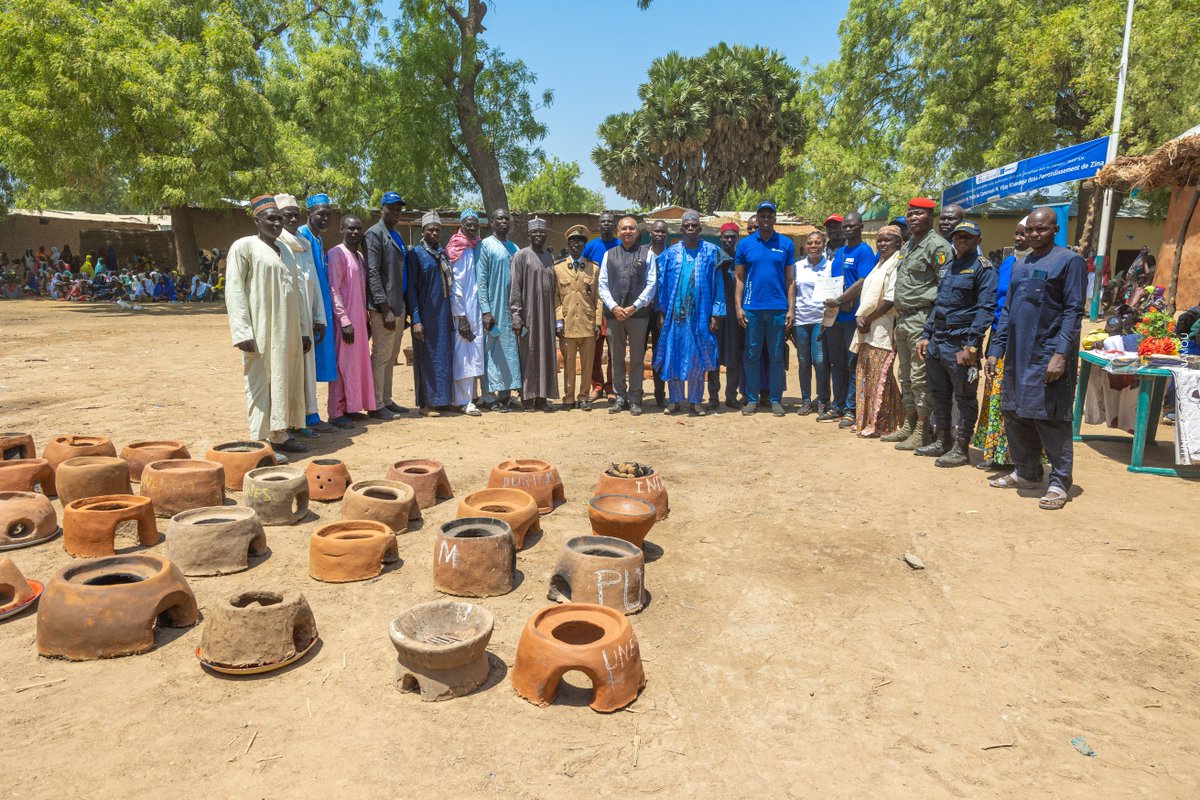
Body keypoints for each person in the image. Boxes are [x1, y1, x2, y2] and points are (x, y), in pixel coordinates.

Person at [985, 207, 1086, 509]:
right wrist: (995, 349)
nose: (1034, 234)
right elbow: (1007, 311)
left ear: (1055, 230)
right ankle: (1028, 473)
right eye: (1030, 229)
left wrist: (1060, 354)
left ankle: (1059, 483)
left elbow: (1073, 311)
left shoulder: (1070, 262)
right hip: (1017, 355)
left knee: (1050, 418)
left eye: (1041, 229)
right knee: (1015, 414)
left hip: (1047, 354)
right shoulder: (1020, 264)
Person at [224, 195, 309, 453]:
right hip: (260, 329)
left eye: (279, 218)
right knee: (260, 381)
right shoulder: (244, 246)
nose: (277, 223)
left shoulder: (286, 251)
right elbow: (234, 290)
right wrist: (241, 331)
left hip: (288, 329)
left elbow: (297, 293)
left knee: (284, 379)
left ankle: (280, 434)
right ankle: (260, 441)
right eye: (271, 218)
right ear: (257, 220)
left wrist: (303, 330)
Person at [915, 221, 997, 466]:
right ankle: (943, 441)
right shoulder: (949, 266)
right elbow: (938, 305)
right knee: (939, 395)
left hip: (961, 345)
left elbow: (985, 309)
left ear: (978, 240)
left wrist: (972, 344)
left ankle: (961, 448)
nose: (962, 239)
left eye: (967, 236)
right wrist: (925, 334)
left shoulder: (984, 269)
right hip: (938, 341)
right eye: (958, 236)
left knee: (964, 397)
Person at [883, 197, 954, 450]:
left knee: (920, 375)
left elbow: (945, 289)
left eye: (919, 214)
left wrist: (931, 328)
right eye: (910, 213)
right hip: (903, 318)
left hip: (923, 319)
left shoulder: (938, 246)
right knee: (905, 375)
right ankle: (909, 423)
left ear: (930, 217)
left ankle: (924, 429)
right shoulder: (910, 244)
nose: (913, 218)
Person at [653, 209, 726, 415]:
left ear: (700, 229)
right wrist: (660, 311)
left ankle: (695, 401)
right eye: (687, 226)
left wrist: (716, 313)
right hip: (674, 317)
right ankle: (674, 400)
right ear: (682, 229)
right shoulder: (670, 254)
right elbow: (661, 284)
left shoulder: (711, 252)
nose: (690, 229)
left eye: (694, 226)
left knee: (696, 359)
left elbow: (718, 284)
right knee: (673, 356)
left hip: (700, 316)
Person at [973, 217, 1030, 470]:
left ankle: (1014, 455)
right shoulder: (1007, 263)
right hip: (999, 337)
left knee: (1014, 398)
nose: (1018, 238)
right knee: (994, 394)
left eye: (1024, 234)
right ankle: (994, 451)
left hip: (1024, 342)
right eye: (1016, 234)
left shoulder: (1044, 265)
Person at [734, 200, 796, 417]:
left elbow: (790, 280)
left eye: (770, 215)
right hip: (752, 308)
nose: (766, 218)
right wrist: (738, 307)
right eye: (763, 215)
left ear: (774, 218)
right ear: (757, 219)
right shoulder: (745, 245)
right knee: (751, 354)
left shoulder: (786, 244)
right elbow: (739, 278)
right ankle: (751, 399)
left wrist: (791, 309)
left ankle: (775, 399)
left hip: (778, 309)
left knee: (776, 356)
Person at [275, 193, 329, 437]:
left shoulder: (305, 245)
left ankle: (308, 416)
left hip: (307, 316)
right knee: (288, 370)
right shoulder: (277, 245)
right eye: (287, 216)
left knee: (307, 368)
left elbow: (314, 282)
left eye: (295, 215)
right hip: (287, 316)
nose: (292, 219)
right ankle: (288, 421)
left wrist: (319, 317)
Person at [821, 211, 876, 425]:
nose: (848, 229)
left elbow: (863, 281)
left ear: (861, 227)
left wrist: (841, 299)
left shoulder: (865, 252)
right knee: (837, 364)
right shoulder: (839, 253)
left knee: (853, 364)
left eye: (852, 226)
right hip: (836, 319)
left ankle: (852, 410)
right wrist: (827, 315)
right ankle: (837, 406)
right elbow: (833, 284)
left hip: (853, 318)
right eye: (845, 226)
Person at [600, 215, 657, 415]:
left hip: (638, 315)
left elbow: (652, 284)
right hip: (614, 315)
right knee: (616, 358)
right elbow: (602, 284)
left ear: (637, 232)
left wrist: (634, 306)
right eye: (624, 229)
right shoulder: (609, 255)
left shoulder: (647, 254)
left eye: (631, 228)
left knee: (636, 358)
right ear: (618, 231)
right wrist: (614, 307)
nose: (627, 232)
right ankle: (620, 397)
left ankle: (635, 398)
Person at [852, 224, 905, 437]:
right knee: (867, 375)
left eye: (887, 240)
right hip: (868, 329)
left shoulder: (896, 264)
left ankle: (884, 423)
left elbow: (891, 299)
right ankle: (871, 421)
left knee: (880, 375)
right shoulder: (879, 263)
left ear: (899, 243)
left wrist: (868, 318)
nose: (882, 243)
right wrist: (861, 317)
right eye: (880, 240)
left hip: (883, 328)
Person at [326, 215, 377, 427]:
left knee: (355, 366)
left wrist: (364, 318)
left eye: (358, 229)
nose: (355, 232)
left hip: (358, 320)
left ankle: (351, 407)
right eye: (351, 228)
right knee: (342, 365)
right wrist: (344, 320)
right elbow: (333, 289)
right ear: (341, 230)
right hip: (344, 321)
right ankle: (336, 412)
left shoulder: (359, 256)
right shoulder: (337, 254)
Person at [363, 191, 409, 420]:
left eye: (399, 208)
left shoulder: (396, 234)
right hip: (384, 309)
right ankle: (375, 403)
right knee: (381, 355)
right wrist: (384, 308)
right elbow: (372, 273)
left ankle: (387, 399)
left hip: (397, 306)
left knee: (391, 356)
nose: (396, 211)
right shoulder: (374, 234)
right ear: (382, 208)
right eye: (391, 207)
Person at [407, 212, 455, 416]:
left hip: (443, 315)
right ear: (423, 231)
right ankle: (427, 404)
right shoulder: (416, 254)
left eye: (438, 229)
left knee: (443, 357)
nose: (435, 233)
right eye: (431, 230)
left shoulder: (442, 254)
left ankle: (443, 400)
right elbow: (411, 289)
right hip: (425, 315)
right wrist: (416, 319)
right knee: (426, 357)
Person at [297, 193, 338, 432]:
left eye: (327, 214)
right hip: (308, 310)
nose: (325, 218)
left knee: (314, 365)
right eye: (320, 214)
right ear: (309, 214)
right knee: (305, 365)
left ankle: (312, 414)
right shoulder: (302, 236)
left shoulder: (318, 239)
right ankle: (306, 417)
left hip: (321, 309)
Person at [509, 217, 559, 410]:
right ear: (529, 235)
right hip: (528, 314)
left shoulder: (549, 257)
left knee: (546, 354)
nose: (539, 235)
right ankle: (528, 397)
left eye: (542, 232)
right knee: (528, 354)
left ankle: (542, 397)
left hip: (546, 316)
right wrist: (516, 316)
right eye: (535, 232)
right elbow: (515, 288)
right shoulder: (521, 256)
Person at [475, 208, 521, 412]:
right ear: (491, 223)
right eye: (499, 218)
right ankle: (488, 396)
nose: (503, 221)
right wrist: (485, 310)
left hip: (511, 309)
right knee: (491, 350)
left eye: (506, 218)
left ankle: (505, 395)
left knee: (510, 351)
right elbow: (481, 279)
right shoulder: (485, 246)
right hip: (493, 308)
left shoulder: (514, 247)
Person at [554, 224, 602, 410]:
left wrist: (597, 322)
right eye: (573, 241)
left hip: (587, 323)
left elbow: (598, 299)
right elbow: (556, 297)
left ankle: (583, 397)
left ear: (584, 245)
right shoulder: (558, 268)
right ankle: (568, 398)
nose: (576, 245)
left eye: (580, 242)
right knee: (568, 364)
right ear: (568, 243)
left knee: (587, 364)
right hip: (567, 324)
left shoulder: (593, 269)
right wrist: (558, 320)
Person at [448, 209, 484, 416]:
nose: (472, 227)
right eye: (468, 224)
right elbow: (456, 285)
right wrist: (460, 316)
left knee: (475, 353)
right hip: (463, 311)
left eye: (475, 224)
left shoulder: (476, 246)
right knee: (464, 354)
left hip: (476, 308)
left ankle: (472, 397)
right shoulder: (457, 248)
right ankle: (463, 400)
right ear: (461, 225)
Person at [792, 231, 832, 416]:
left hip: (820, 320)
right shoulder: (798, 267)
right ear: (805, 246)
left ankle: (823, 400)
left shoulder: (830, 267)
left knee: (820, 361)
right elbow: (792, 290)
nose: (813, 246)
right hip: (801, 320)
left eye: (817, 242)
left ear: (823, 245)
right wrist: (790, 312)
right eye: (810, 243)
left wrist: (828, 318)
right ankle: (806, 400)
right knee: (803, 362)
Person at [706, 222, 746, 410]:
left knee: (734, 356)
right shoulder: (713, 258)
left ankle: (731, 396)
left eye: (732, 237)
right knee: (713, 356)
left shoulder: (742, 259)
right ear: (720, 238)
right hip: (716, 314)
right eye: (726, 237)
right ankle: (713, 397)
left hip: (736, 315)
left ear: (737, 238)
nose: (729, 240)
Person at [584, 211, 621, 402]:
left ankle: (611, 387)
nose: (606, 224)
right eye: (603, 222)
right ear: (598, 226)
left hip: (615, 305)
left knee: (615, 350)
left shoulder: (620, 245)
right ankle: (596, 386)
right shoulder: (591, 246)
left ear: (614, 226)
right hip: (595, 305)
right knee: (595, 349)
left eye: (610, 221)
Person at [644, 220, 670, 407]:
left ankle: (660, 392)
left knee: (660, 353)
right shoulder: (642, 253)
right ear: (650, 233)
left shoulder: (671, 255)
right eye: (656, 231)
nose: (659, 234)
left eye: (663, 231)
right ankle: (635, 394)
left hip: (663, 312)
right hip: (642, 310)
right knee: (639, 351)